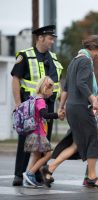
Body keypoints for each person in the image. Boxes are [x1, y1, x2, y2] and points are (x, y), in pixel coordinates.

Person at [40, 35, 98, 188]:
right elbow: (81, 83)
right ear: (94, 48)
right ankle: (92, 177)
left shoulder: (74, 61)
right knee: (93, 141)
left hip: (72, 106)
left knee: (76, 144)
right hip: (81, 107)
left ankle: (49, 169)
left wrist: (62, 107)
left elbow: (66, 88)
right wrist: (93, 99)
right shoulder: (85, 61)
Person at [11, 25, 63, 186]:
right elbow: (15, 79)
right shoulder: (25, 56)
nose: (52, 42)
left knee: (44, 141)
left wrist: (60, 104)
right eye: (50, 38)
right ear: (40, 38)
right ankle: (19, 175)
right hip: (29, 107)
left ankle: (38, 173)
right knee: (25, 141)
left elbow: (57, 84)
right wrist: (18, 104)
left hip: (48, 106)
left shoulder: (53, 58)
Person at [22, 76, 64, 188]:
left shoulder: (36, 98)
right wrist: (57, 115)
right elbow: (44, 114)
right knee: (48, 154)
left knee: (36, 155)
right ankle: (30, 173)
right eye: (52, 89)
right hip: (38, 134)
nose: (53, 92)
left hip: (34, 132)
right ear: (46, 88)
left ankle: (27, 179)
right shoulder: (40, 101)